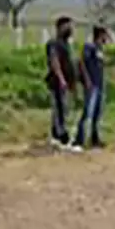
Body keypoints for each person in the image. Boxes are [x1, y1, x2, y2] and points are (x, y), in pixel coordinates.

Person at [73, 25, 109, 150]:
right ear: (100, 35)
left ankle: (94, 138)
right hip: (92, 84)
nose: (107, 38)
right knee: (87, 111)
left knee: (97, 113)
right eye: (105, 35)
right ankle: (79, 139)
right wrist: (86, 79)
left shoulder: (100, 49)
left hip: (99, 84)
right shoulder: (89, 47)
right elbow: (82, 62)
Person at [46, 16, 79, 149]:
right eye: (68, 26)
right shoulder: (53, 43)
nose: (71, 29)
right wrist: (61, 79)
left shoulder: (67, 44)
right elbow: (55, 62)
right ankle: (62, 137)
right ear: (60, 27)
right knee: (59, 109)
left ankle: (56, 136)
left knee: (63, 109)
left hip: (67, 82)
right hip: (58, 82)